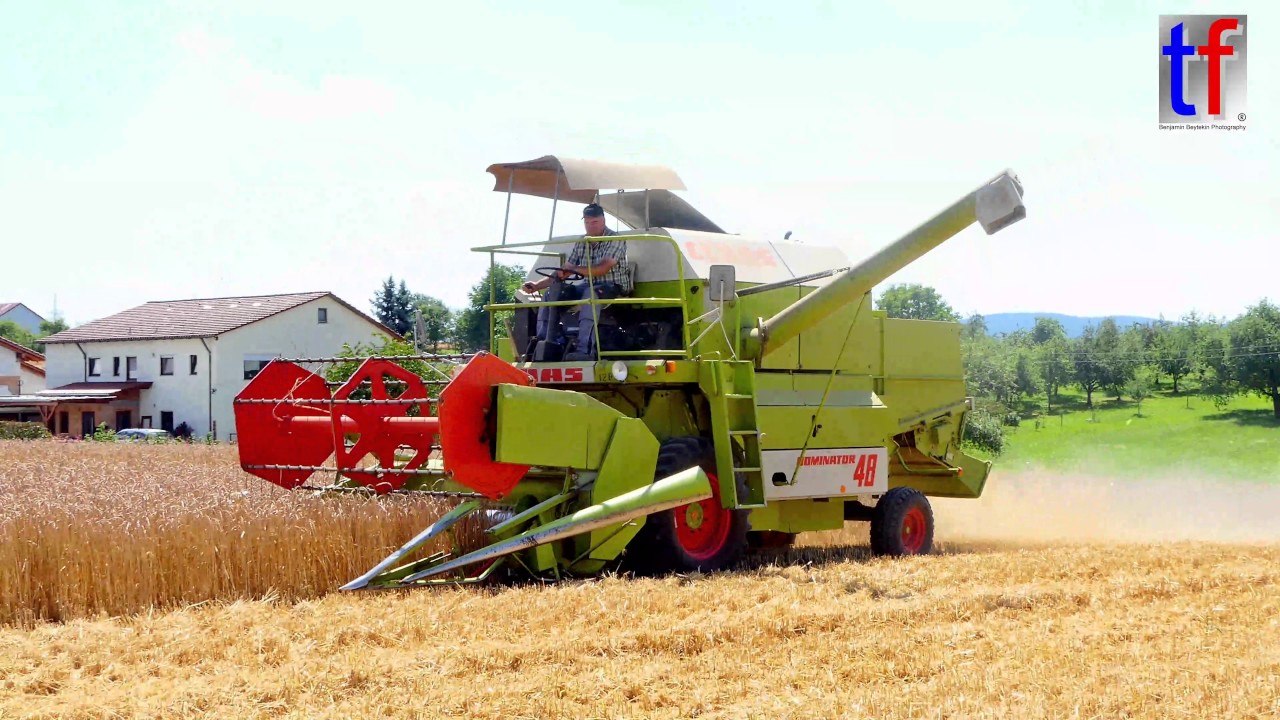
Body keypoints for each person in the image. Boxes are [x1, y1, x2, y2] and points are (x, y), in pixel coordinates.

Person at [522, 203, 629, 359]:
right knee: (552, 294)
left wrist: (576, 270)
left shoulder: (615, 239)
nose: (590, 226)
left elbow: (602, 268)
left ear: (603, 221)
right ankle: (545, 344)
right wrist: (537, 285)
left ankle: (584, 350)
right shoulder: (582, 242)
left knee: (589, 294)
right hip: (587, 286)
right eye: (587, 222)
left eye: (594, 222)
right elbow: (565, 269)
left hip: (612, 286)